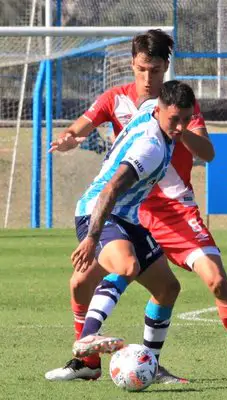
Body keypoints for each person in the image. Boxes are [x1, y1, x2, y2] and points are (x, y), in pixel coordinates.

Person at [45, 29, 227, 384]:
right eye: (142, 69)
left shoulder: (180, 106)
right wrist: (69, 137)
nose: (147, 78)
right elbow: (83, 126)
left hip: (173, 209)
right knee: (80, 284)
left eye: (155, 71)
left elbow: (207, 153)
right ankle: (89, 361)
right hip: (129, 207)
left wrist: (179, 127)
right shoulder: (116, 99)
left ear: (165, 67)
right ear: (132, 66)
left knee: (216, 281)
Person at [68, 81, 194, 361]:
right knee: (126, 266)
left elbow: (150, 95)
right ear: (160, 111)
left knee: (168, 288)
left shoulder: (152, 107)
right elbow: (110, 189)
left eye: (187, 119)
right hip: (98, 211)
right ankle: (88, 337)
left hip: (126, 216)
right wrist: (91, 237)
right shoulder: (151, 149)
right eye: (175, 119)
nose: (181, 127)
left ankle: (151, 364)